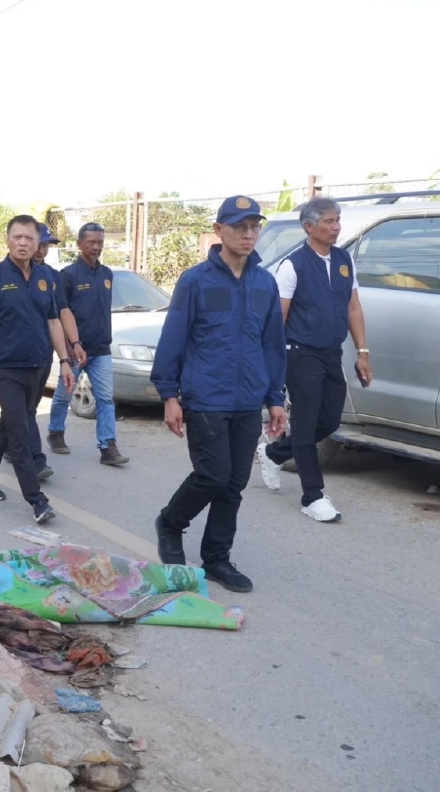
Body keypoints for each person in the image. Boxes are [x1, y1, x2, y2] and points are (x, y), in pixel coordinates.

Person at [150, 195, 287, 593]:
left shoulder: (265, 282)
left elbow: (272, 344)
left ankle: (216, 558)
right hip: (205, 395)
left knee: (234, 483)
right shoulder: (196, 280)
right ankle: (171, 523)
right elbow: (174, 336)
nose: (248, 234)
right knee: (213, 475)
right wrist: (169, 395)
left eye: (254, 226)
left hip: (248, 398)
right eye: (240, 226)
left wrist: (275, 398)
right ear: (218, 231)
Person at [257, 197, 371, 523]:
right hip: (300, 352)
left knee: (330, 421)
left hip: (330, 352)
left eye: (338, 221)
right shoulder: (293, 265)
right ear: (309, 226)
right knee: (306, 425)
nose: (336, 227)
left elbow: (353, 308)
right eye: (329, 222)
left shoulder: (344, 260)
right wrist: (275, 366)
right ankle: (313, 496)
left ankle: (274, 452)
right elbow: (278, 319)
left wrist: (363, 353)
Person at [0, 215, 76, 524]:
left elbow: (53, 320)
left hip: (38, 366)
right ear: (8, 240)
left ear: (37, 243)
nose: (23, 242)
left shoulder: (46, 277)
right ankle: (37, 500)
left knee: (11, 423)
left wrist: (65, 360)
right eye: (17, 237)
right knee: (19, 431)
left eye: (29, 238)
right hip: (3, 367)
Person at [47, 222, 128, 465]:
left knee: (105, 398)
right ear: (79, 244)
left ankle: (108, 447)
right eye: (91, 242)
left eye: (100, 242)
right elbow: (61, 313)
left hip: (101, 349)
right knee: (64, 394)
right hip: (75, 349)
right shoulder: (69, 275)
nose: (96, 247)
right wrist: (69, 346)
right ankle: (56, 432)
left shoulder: (107, 274)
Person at [19, 222, 86, 481]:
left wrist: (74, 345)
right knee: (21, 407)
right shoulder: (9, 273)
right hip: (12, 354)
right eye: (41, 243)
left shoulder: (52, 277)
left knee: (29, 406)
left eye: (47, 245)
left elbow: (62, 312)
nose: (43, 250)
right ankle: (34, 458)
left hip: (42, 351)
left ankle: (12, 447)